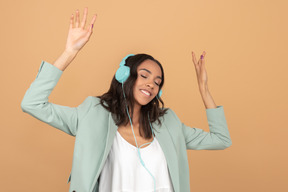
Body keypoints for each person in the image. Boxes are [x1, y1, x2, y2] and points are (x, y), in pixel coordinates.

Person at [21, 7, 232, 192]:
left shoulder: (168, 123)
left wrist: (204, 91)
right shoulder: (92, 114)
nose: (151, 84)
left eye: (158, 82)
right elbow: (32, 103)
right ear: (125, 75)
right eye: (144, 75)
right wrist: (69, 52)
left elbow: (221, 139)